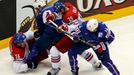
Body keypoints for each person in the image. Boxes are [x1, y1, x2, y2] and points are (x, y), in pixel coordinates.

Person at [47, 2, 102, 75]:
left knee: (54, 50)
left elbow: (76, 27)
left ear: (62, 9)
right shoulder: (68, 5)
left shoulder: (70, 16)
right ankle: (96, 63)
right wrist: (53, 16)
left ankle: (55, 68)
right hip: (82, 32)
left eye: (59, 12)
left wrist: (64, 27)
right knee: (79, 51)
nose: (59, 13)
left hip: (75, 35)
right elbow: (62, 16)